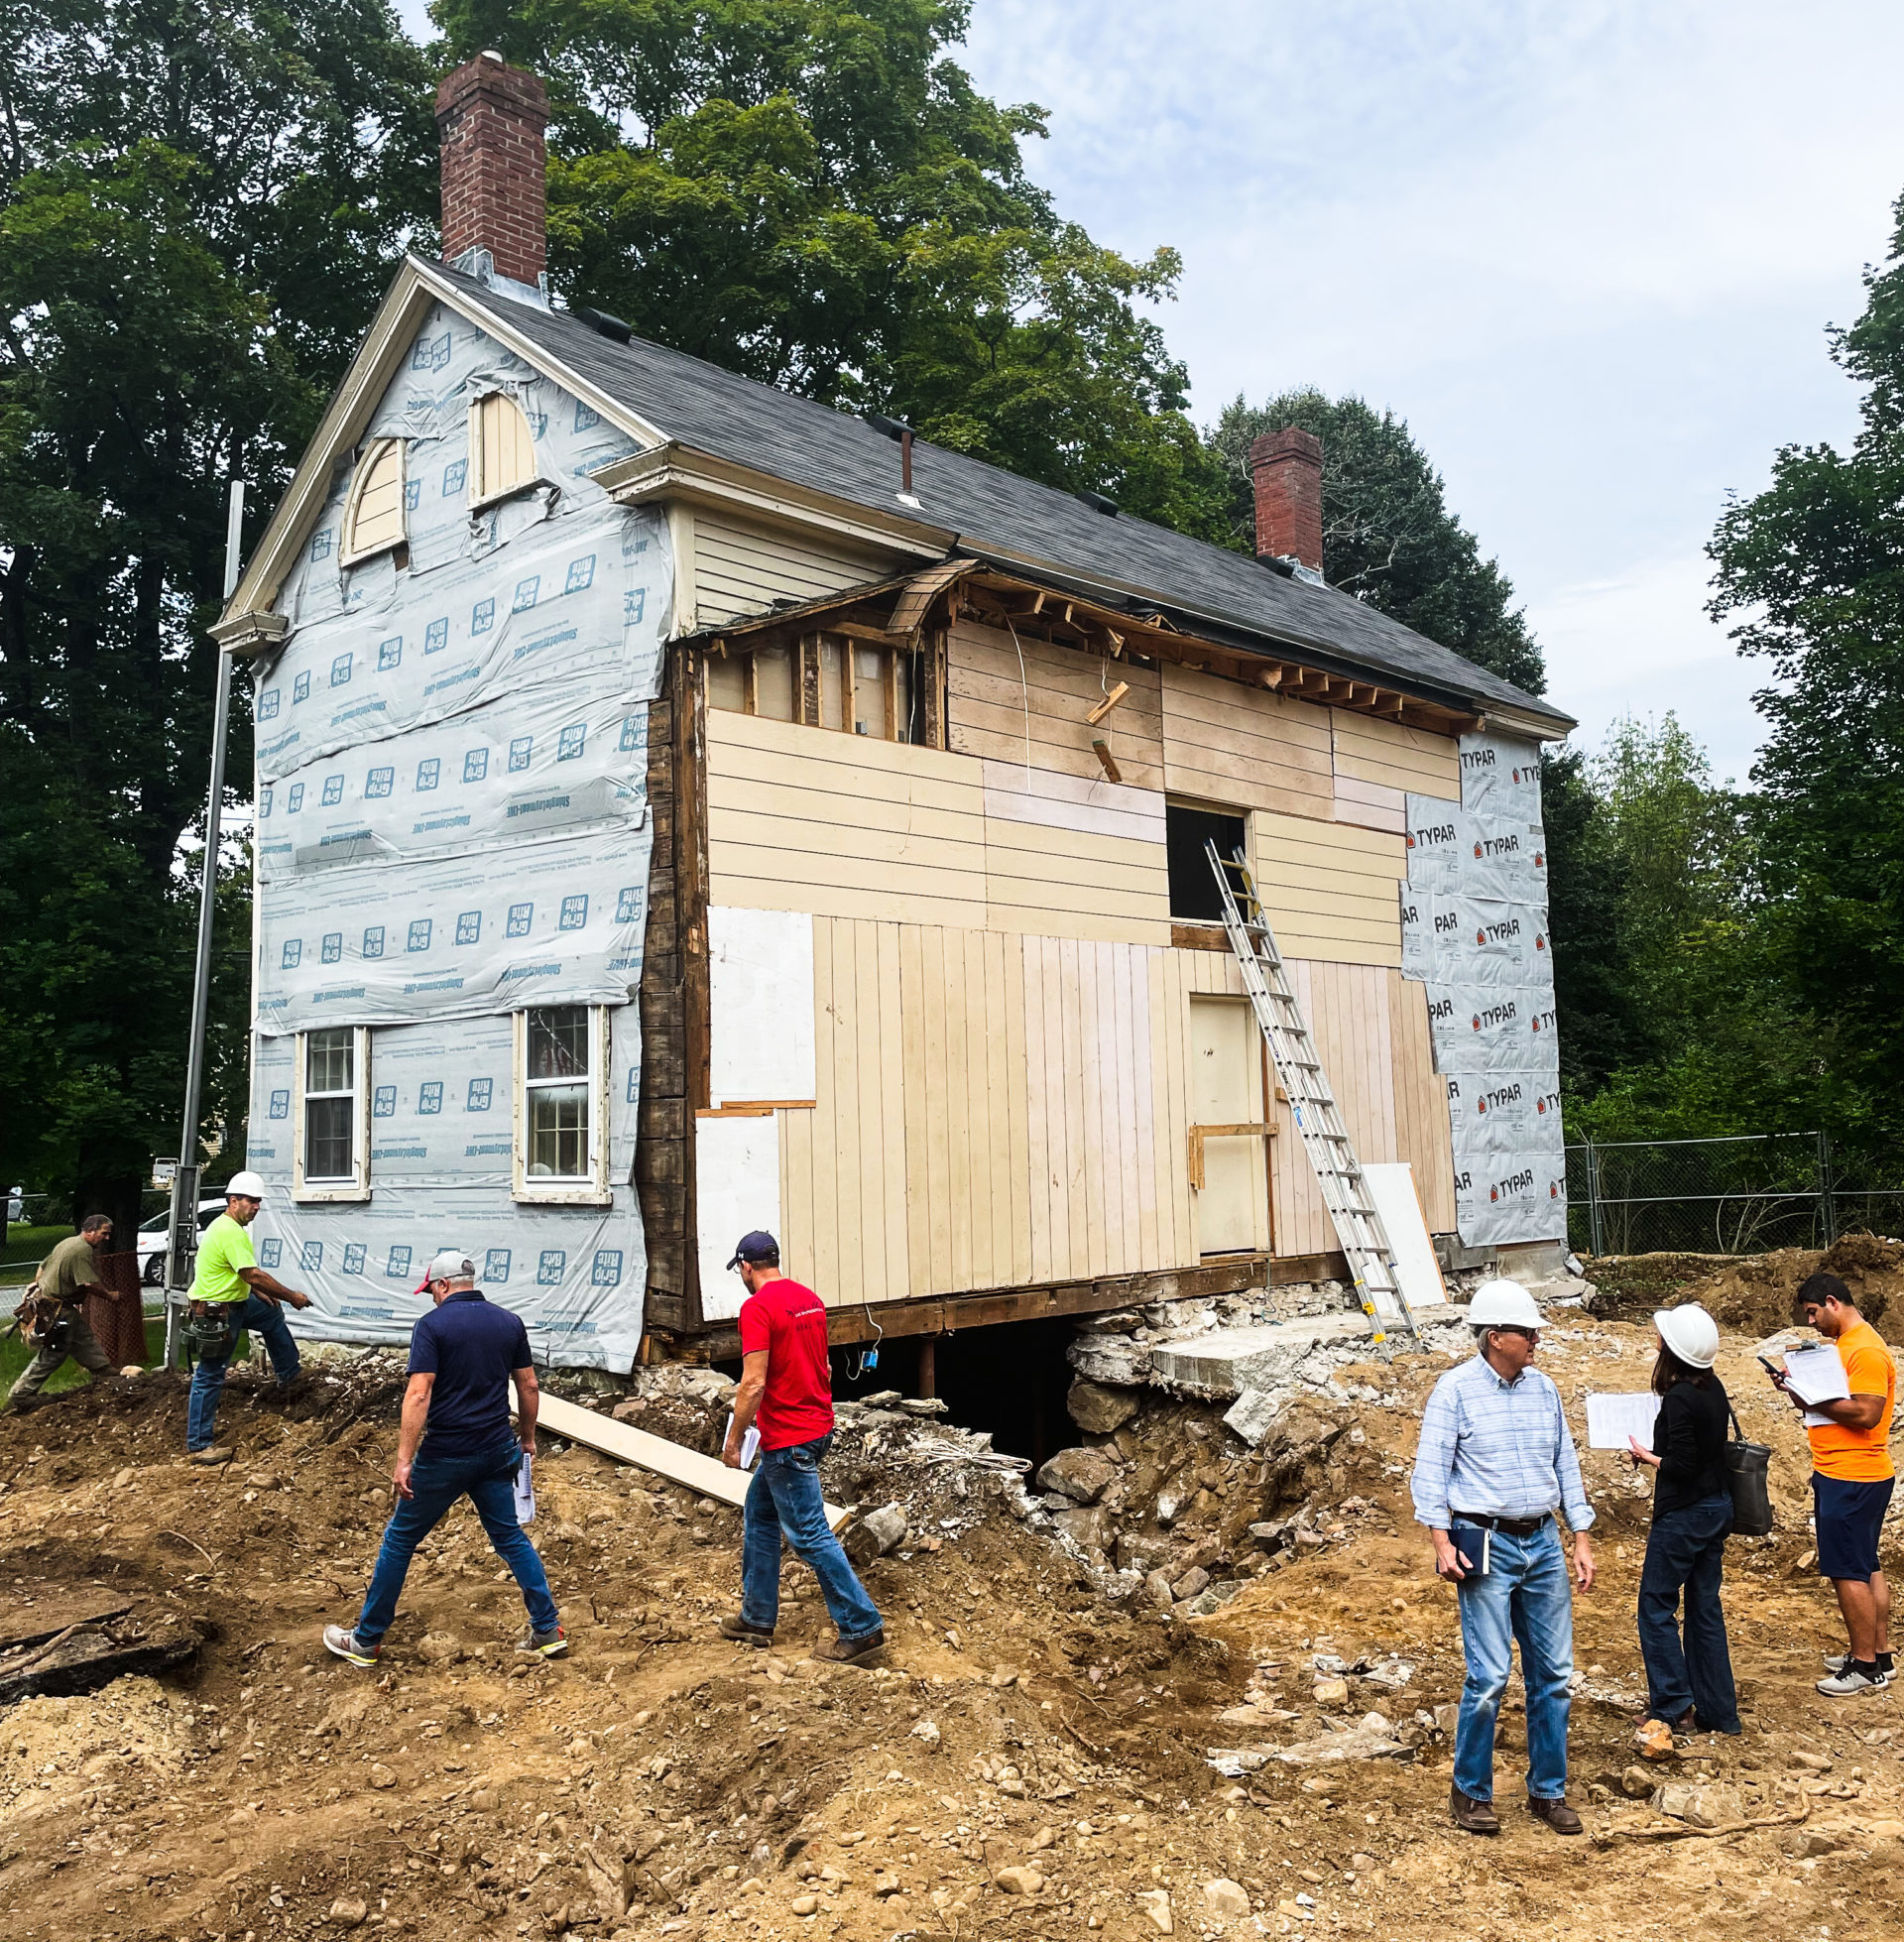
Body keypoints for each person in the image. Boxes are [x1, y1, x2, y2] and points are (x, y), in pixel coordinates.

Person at [1411, 1277, 1596, 1837]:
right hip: (1482, 1539)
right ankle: (1471, 1791)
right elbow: (1431, 1472)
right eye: (1526, 1331)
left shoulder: (1545, 1391)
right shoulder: (1455, 1392)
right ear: (1495, 1337)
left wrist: (1579, 1535)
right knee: (1489, 1674)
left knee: (1555, 1674)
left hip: (1541, 1542)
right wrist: (1442, 1542)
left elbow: (1566, 1464)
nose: (1537, 1338)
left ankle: (1548, 1791)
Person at [324, 1250, 562, 1666]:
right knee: (509, 1537)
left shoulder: (432, 1326)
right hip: (494, 1451)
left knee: (399, 1540)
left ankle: (366, 1640)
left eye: (431, 1291)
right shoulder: (509, 1322)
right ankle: (547, 1629)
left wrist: (403, 1460)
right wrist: (526, 1439)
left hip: (446, 1454)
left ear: (443, 1285)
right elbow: (529, 1387)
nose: (431, 1299)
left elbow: (419, 1392)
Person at [718, 1230, 885, 1664]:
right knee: (760, 1514)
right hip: (816, 1424)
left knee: (810, 1535)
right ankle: (756, 1617)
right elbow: (823, 1363)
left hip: (789, 1436)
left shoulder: (756, 1308)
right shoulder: (809, 1298)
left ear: (746, 1267)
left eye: (739, 1269)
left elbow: (753, 1382)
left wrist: (734, 1441)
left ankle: (861, 1627)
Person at [1775, 1273, 1897, 1695]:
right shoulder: (1846, 1347)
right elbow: (1834, 1404)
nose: (1811, 1322)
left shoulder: (1864, 1350)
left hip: (1851, 1474)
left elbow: (1866, 1413)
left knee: (1848, 1570)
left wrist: (1810, 1396)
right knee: (1866, 1564)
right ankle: (1879, 1654)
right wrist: (1797, 1388)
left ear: (1832, 1302)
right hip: (1850, 1472)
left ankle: (1865, 1667)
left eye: (1812, 1313)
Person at [1626, 1304, 1741, 1735]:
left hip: (1684, 1514)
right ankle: (1718, 1711)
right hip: (1716, 1507)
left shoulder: (1678, 1397)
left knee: (1656, 1606)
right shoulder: (1712, 1387)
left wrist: (1648, 1457)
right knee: (1704, 1607)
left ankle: (1674, 1705)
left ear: (1674, 1348)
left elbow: (1683, 1464)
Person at [183, 1171, 310, 1464]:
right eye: (251, 1201)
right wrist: (292, 1296)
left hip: (236, 1304)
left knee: (270, 1314)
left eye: (258, 1202)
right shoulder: (229, 1231)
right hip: (217, 1313)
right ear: (233, 1201)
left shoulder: (229, 1229)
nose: (256, 1207)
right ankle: (200, 1445)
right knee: (210, 1375)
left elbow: (236, 1272)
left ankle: (290, 1376)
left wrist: (256, 1291)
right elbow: (251, 1273)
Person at [8, 1215, 126, 1406]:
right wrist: (110, 1296)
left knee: (83, 1339)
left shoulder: (67, 1242)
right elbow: (88, 1283)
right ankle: (21, 1394)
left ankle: (104, 1372)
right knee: (54, 1353)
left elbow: (42, 1265)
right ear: (90, 1230)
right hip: (57, 1309)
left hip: (57, 1306)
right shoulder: (82, 1250)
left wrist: (39, 1284)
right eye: (104, 1234)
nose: (107, 1238)